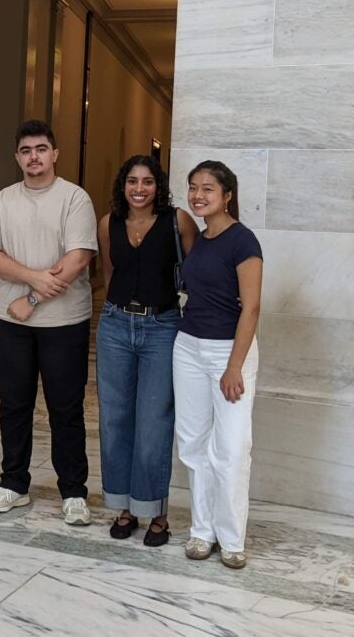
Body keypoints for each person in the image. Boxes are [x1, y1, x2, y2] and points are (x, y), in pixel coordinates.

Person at [0, 120, 97, 524]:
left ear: (55, 154)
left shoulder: (74, 198)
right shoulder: (2, 200)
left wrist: (30, 298)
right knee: (14, 405)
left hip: (64, 322)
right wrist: (32, 280)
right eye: (26, 150)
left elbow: (78, 258)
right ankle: (13, 483)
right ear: (18, 157)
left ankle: (73, 492)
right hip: (8, 321)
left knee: (65, 408)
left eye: (41, 148)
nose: (34, 156)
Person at [96, 155, 198, 545]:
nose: (140, 189)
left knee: (154, 421)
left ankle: (155, 512)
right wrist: (118, 312)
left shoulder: (179, 222)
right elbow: (109, 274)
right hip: (116, 324)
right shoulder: (109, 224)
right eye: (132, 181)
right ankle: (125, 507)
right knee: (115, 418)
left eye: (148, 181)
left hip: (162, 326)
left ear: (159, 186)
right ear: (122, 185)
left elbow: (196, 270)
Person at [174, 160, 262, 570]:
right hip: (188, 347)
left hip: (229, 351)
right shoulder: (201, 238)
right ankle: (201, 531)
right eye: (193, 187)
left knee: (230, 448)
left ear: (227, 195)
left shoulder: (243, 242)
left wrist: (234, 367)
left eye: (208, 188)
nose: (198, 195)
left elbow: (252, 308)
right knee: (193, 444)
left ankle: (231, 538)